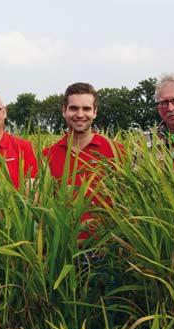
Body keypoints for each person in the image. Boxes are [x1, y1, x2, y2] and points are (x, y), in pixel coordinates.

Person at [42, 82, 124, 240]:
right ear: (64, 111)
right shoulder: (48, 155)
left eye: (86, 109)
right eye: (73, 108)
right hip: (63, 248)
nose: (80, 114)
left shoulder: (116, 151)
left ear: (95, 112)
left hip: (107, 248)